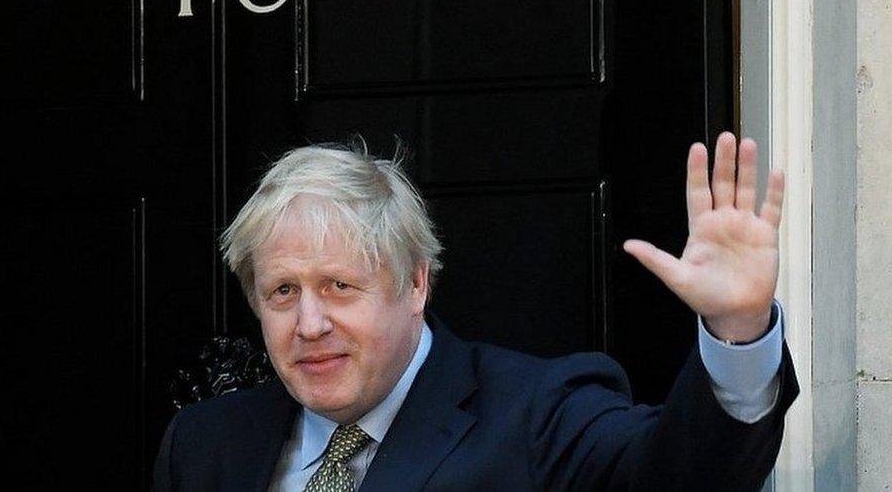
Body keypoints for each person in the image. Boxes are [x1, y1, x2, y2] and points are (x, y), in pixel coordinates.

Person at [152, 133, 798, 491]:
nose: (310, 323)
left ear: (414, 284)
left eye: (341, 285)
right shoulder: (206, 446)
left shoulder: (536, 415)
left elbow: (679, 478)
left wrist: (737, 329)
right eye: (283, 292)